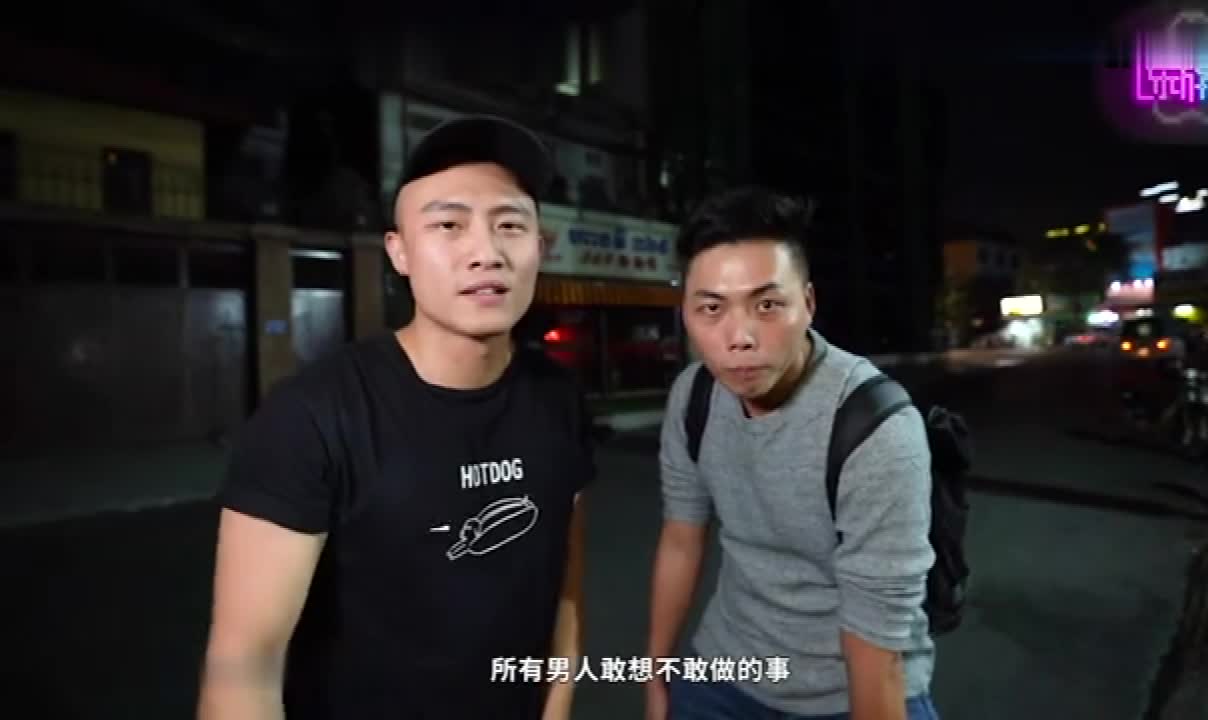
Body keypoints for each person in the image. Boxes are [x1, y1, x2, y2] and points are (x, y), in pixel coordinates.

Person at [197, 115, 594, 720]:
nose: (486, 253)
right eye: (448, 225)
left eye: (510, 225)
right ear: (399, 252)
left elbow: (563, 589)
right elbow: (242, 672)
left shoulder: (559, 399)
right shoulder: (311, 416)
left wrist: (557, 706)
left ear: (539, 248)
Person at [645, 187, 940, 720]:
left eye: (767, 305)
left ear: (807, 304)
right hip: (726, 668)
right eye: (711, 308)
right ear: (685, 313)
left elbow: (876, 656)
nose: (739, 337)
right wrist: (656, 672)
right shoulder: (694, 396)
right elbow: (681, 538)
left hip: (846, 689)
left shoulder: (876, 429)